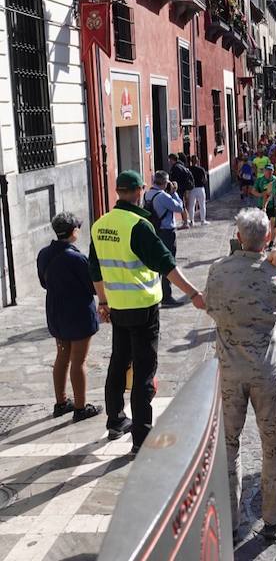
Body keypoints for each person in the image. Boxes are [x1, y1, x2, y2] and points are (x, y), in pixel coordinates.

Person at [89, 170, 205, 452]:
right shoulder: (138, 225)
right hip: (142, 307)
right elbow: (166, 264)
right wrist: (192, 292)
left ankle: (115, 420)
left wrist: (103, 302)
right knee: (143, 372)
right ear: (139, 191)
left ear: (118, 191)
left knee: (118, 363)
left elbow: (95, 268)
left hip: (117, 306)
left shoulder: (100, 224)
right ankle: (141, 438)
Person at [205, 208, 276, 541]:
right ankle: (272, 515)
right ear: (267, 238)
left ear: (238, 236)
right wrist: (272, 262)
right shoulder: (273, 275)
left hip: (229, 372)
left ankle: (230, 520)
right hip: (267, 371)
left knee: (228, 446)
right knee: (274, 445)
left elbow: (211, 307)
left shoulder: (217, 271)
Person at [37, 212, 103, 421]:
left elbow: (43, 283)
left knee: (62, 356)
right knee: (79, 361)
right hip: (78, 312)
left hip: (56, 311)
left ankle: (61, 402)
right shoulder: (77, 258)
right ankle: (81, 408)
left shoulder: (44, 254)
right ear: (73, 231)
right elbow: (93, 287)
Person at [145, 170, 186, 306]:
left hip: (153, 231)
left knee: (155, 263)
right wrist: (174, 192)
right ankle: (167, 297)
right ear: (165, 182)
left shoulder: (147, 194)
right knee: (168, 263)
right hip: (166, 232)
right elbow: (179, 207)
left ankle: (154, 293)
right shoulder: (163, 196)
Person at [169, 153, 194, 229]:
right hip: (183, 188)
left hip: (179, 189)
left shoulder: (176, 168)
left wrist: (175, 188)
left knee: (181, 205)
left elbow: (176, 180)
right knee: (182, 205)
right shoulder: (181, 166)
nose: (169, 161)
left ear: (173, 159)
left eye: (170, 159)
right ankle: (187, 221)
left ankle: (185, 222)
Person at [187, 155, 209, 226]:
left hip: (192, 189)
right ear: (197, 161)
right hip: (200, 188)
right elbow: (205, 180)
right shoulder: (201, 169)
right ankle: (203, 220)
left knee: (191, 205)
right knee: (202, 204)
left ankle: (191, 221)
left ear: (191, 161)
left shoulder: (188, 169)